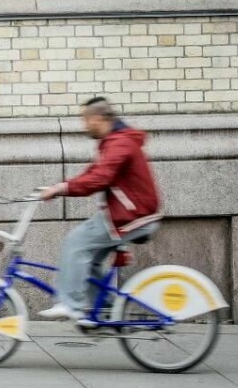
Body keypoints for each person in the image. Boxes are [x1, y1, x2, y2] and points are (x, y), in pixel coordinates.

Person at [39, 97, 162, 320]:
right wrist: (59, 187)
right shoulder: (113, 142)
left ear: (97, 118)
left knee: (76, 243)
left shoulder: (120, 143)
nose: (84, 125)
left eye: (85, 120)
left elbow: (100, 178)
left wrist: (61, 188)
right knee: (91, 259)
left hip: (133, 215)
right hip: (126, 214)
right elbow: (93, 173)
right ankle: (104, 309)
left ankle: (71, 304)